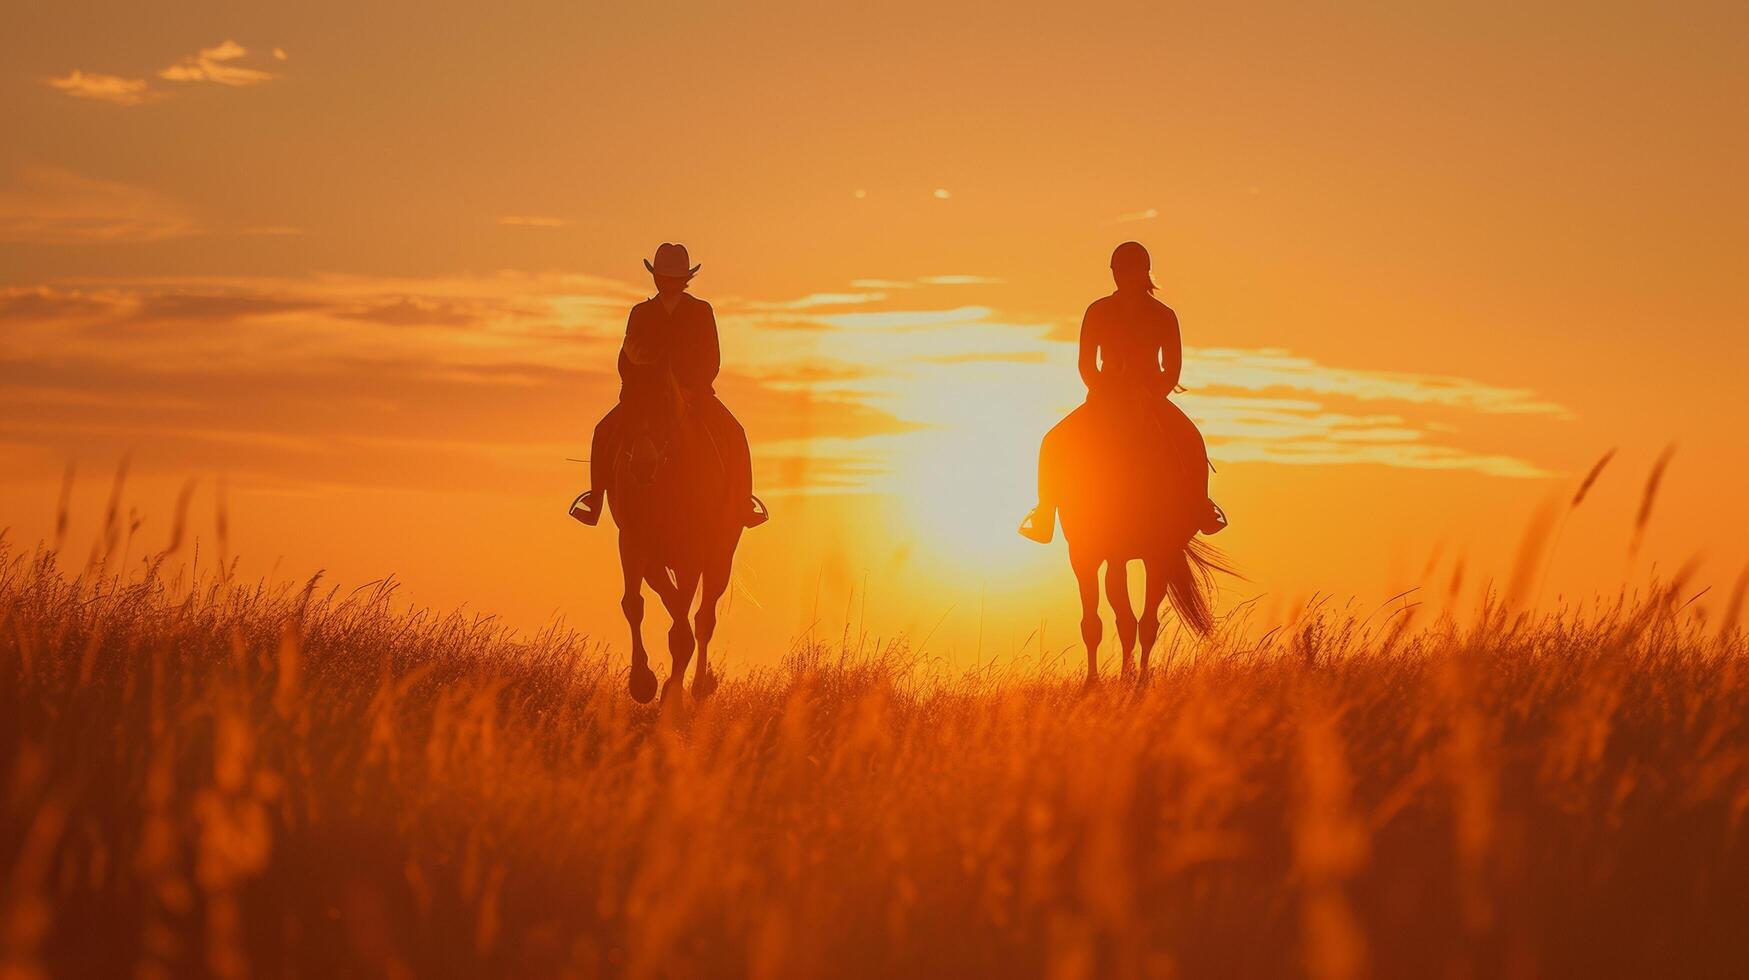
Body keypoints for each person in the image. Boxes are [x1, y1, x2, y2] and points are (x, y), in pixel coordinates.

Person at [1018, 241, 1226, 544]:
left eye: (1131, 270)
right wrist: (1103, 391)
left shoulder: (1164, 316)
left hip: (1151, 400)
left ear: (1144, 272)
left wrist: (1153, 394)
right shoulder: (1098, 311)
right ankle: (1044, 513)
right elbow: (1086, 364)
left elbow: (1172, 368)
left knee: (1192, 441)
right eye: (1119, 271)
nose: (1125, 276)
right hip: (1105, 399)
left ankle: (1201, 507)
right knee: (1052, 442)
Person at [572, 242, 768, 528]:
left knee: (736, 434)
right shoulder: (640, 313)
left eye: (672, 278)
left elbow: (711, 358)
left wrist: (692, 388)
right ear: (656, 278)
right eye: (663, 277)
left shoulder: (700, 311)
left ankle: (742, 503)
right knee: (602, 431)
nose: (667, 282)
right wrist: (636, 389)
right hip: (644, 398)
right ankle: (595, 501)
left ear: (683, 280)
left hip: (695, 396)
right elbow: (625, 359)